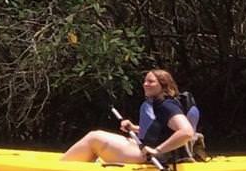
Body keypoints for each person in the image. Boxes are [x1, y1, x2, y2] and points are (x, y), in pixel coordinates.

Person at [62, 69, 197, 166]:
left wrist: (157, 151)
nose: (145, 84)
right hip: (147, 149)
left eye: (151, 82)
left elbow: (186, 132)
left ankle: (63, 167)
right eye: (145, 81)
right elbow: (162, 131)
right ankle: (81, 161)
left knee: (94, 137)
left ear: (163, 86)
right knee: (98, 136)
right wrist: (134, 128)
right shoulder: (162, 103)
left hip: (150, 156)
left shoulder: (167, 106)